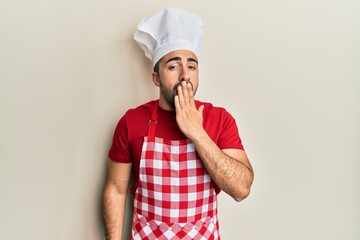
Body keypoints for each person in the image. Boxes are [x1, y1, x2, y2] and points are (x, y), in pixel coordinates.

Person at [102, 7, 254, 240]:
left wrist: (197, 133)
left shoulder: (220, 119)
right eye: (173, 66)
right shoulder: (131, 122)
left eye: (192, 66)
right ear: (156, 78)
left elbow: (242, 189)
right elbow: (116, 188)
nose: (185, 75)